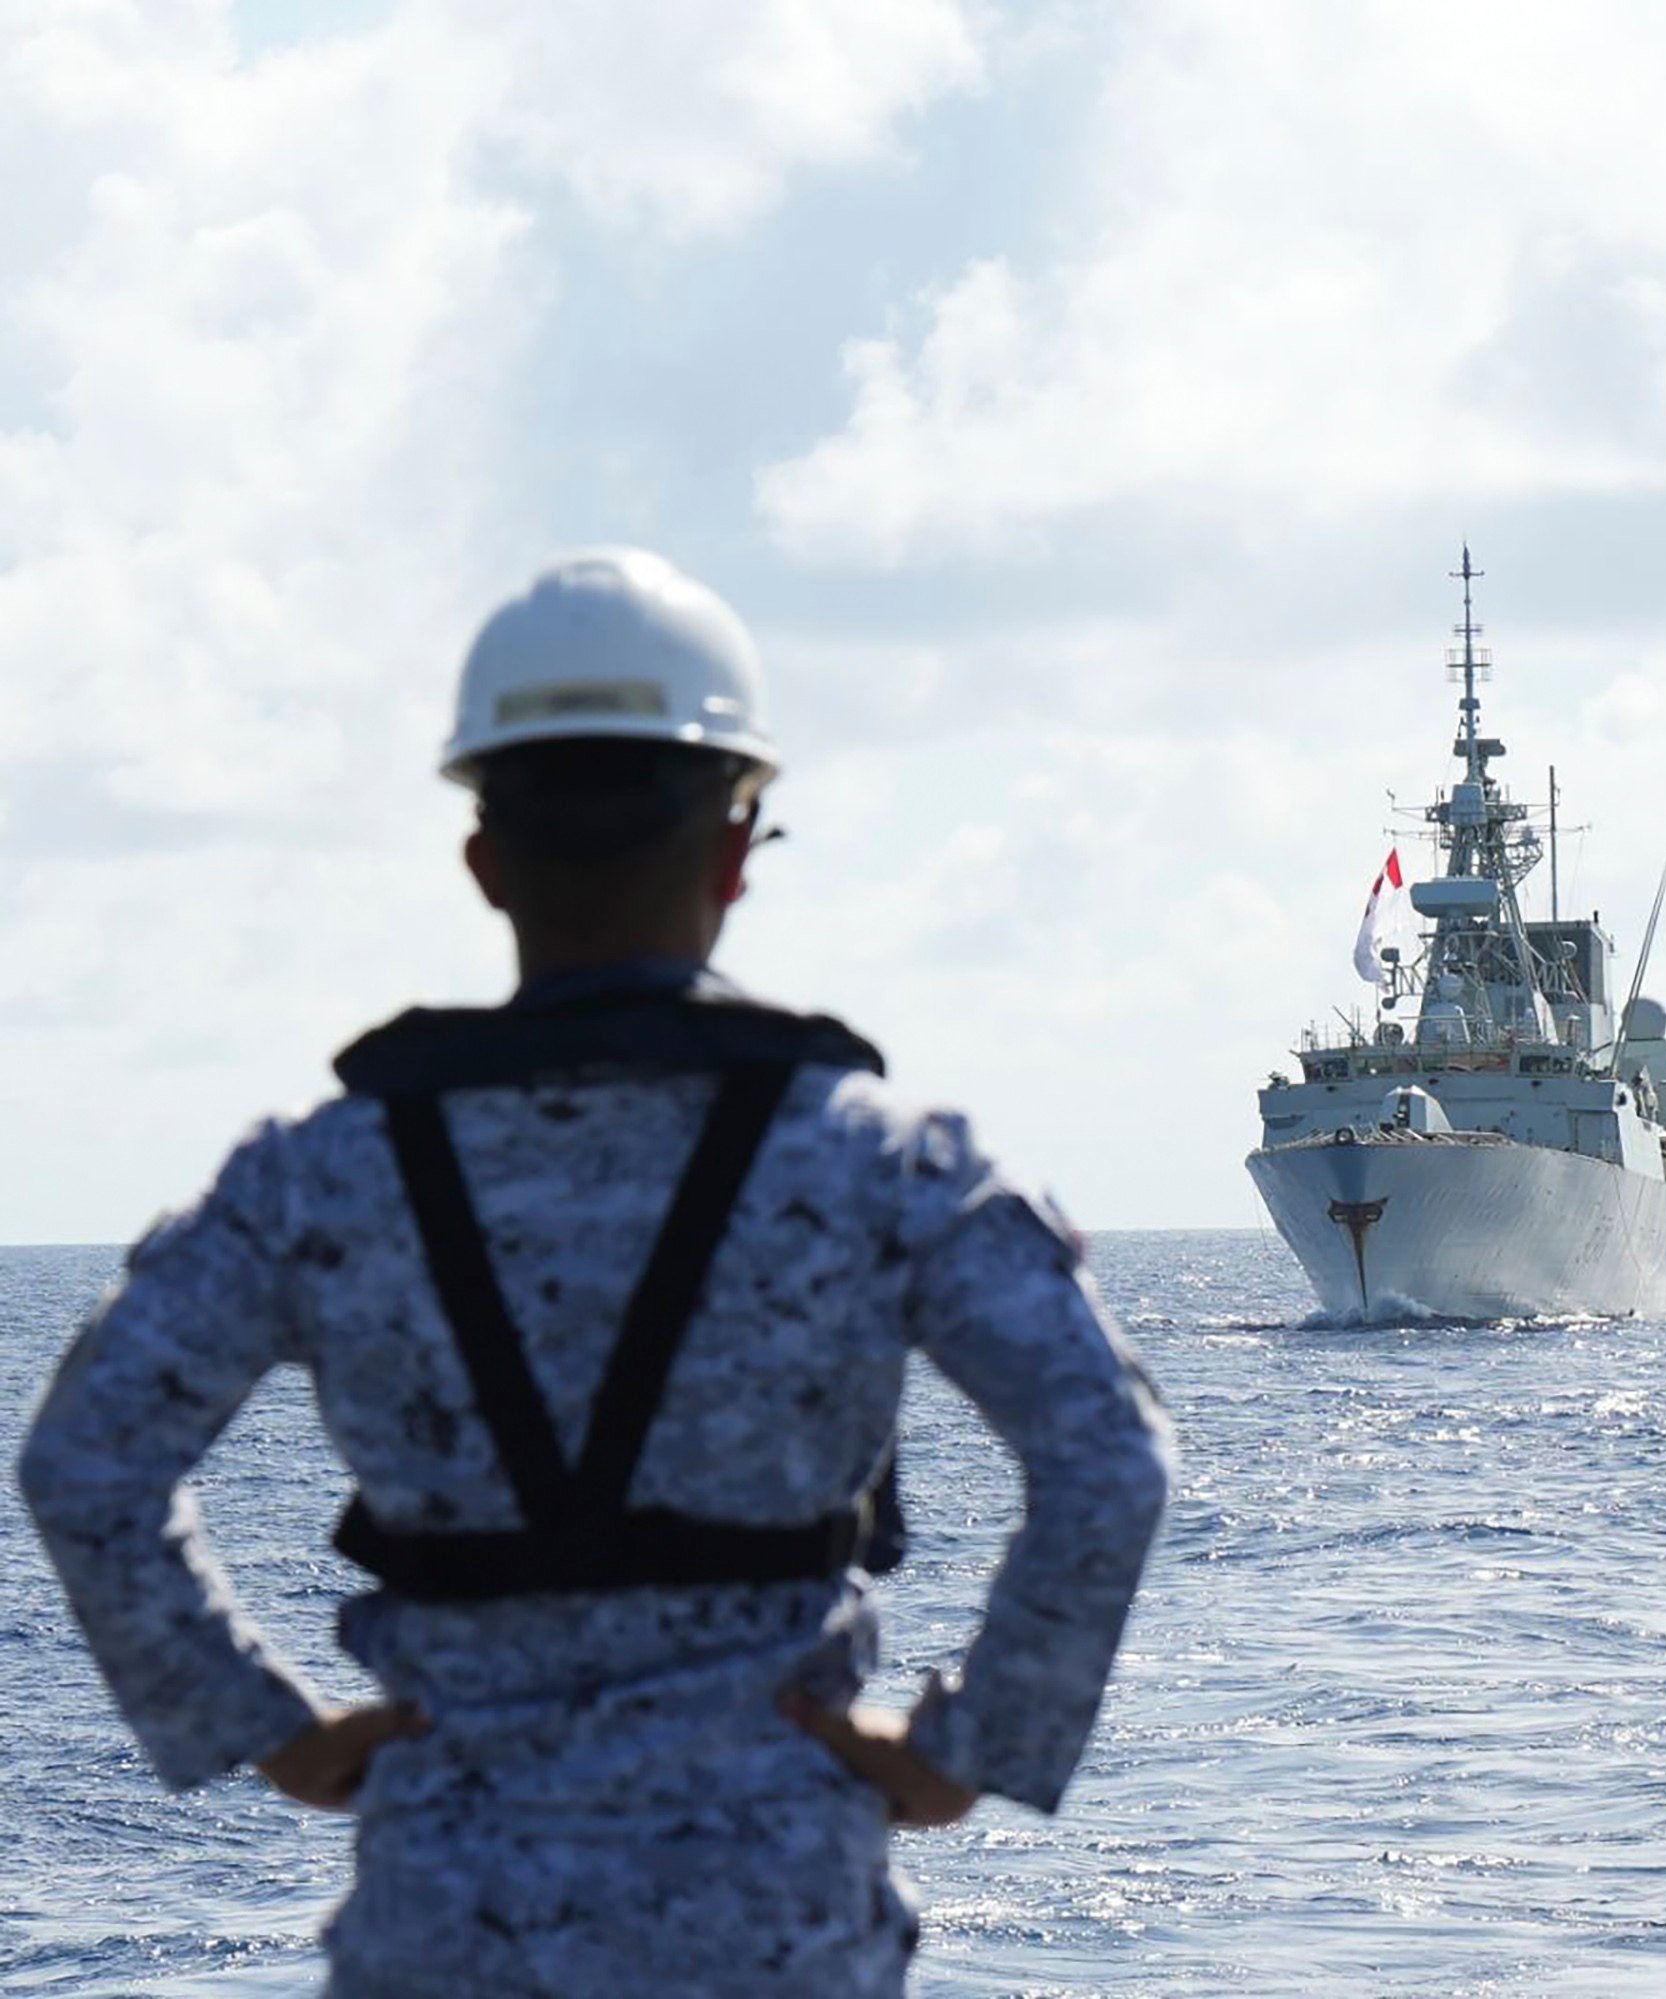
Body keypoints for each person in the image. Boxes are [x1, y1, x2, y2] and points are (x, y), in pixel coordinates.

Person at [19, 548, 1174, 1997]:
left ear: (484, 857)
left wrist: (272, 1731)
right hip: (777, 1933)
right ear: (737, 850)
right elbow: (1107, 1457)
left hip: (445, 1932)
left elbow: (87, 1468)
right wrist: (968, 1752)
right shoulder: (884, 1167)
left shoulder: (322, 1176)